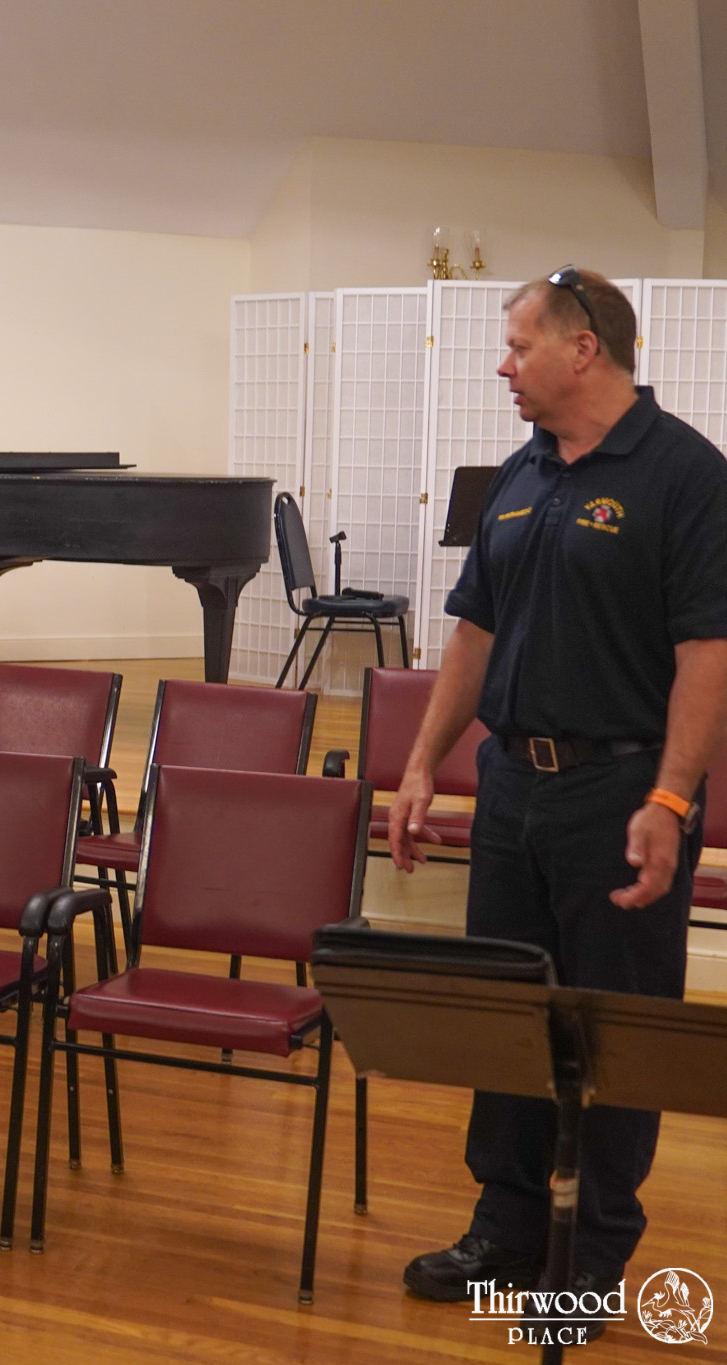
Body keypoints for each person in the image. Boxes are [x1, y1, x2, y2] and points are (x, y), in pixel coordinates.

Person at [388, 267, 727, 1339]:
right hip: (509, 788)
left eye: (518, 345)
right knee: (507, 1016)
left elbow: (708, 653)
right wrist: (420, 763)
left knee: (609, 1029)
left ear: (584, 349)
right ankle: (505, 1226)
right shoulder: (521, 472)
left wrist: (670, 799)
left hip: (620, 789)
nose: (502, 365)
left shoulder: (686, 476)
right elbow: (473, 632)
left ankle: (590, 1255)